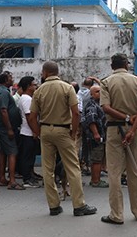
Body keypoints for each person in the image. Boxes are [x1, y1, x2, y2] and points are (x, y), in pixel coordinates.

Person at [30, 60, 97, 217]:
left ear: (45, 73)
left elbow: (32, 117)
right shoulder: (67, 88)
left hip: (46, 130)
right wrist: (73, 132)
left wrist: (38, 132)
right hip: (63, 130)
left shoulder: (39, 91)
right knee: (72, 167)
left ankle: (53, 205)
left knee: (48, 169)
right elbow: (76, 113)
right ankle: (79, 205)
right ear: (57, 72)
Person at [99, 53, 137, 224]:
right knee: (136, 170)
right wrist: (132, 129)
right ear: (127, 64)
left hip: (114, 129)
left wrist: (125, 118)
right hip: (134, 129)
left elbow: (105, 107)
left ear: (112, 66)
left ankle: (117, 214)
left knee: (114, 172)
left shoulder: (106, 82)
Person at [0, 71, 23, 190]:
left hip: (4, 127)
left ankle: (2, 178)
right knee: (12, 152)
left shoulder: (3, 91)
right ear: (6, 80)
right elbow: (3, 110)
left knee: (3, 151)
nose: (12, 79)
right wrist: (9, 128)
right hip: (5, 128)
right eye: (10, 78)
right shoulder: (3, 93)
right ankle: (12, 180)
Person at [16, 76, 42, 188]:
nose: (36, 87)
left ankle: (30, 174)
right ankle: (27, 179)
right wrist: (35, 131)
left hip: (28, 131)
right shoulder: (26, 99)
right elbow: (30, 117)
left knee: (31, 156)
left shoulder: (28, 98)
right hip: (28, 132)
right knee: (27, 157)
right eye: (33, 85)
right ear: (28, 86)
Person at [82, 84, 108, 188]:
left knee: (96, 158)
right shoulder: (92, 105)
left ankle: (95, 179)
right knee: (97, 158)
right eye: (97, 91)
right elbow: (91, 120)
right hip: (96, 136)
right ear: (92, 94)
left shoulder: (98, 104)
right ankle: (96, 180)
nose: (100, 93)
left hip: (99, 135)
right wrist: (96, 133)